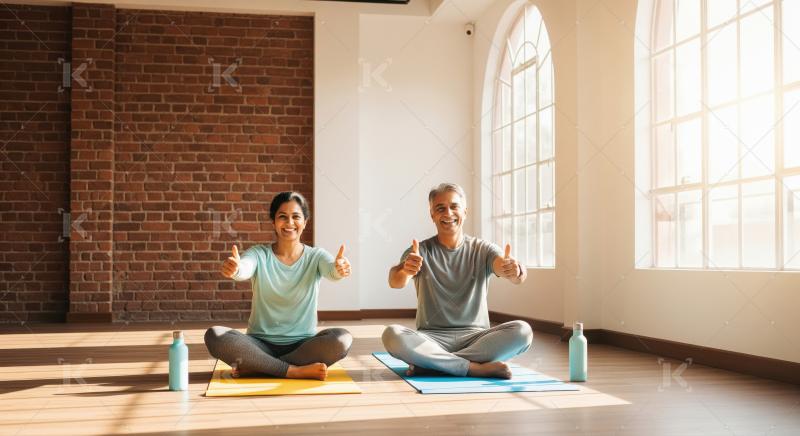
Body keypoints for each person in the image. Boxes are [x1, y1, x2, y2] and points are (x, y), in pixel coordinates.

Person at [382, 182, 533, 379]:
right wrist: (404, 269)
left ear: (465, 211)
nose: (448, 213)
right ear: (432, 215)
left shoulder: (483, 249)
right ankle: (473, 368)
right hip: (431, 338)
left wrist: (515, 270)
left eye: (454, 206)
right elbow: (395, 282)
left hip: (477, 338)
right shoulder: (420, 251)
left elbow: (508, 271)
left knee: (523, 331)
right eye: (440, 208)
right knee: (391, 335)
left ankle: (432, 364)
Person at [204, 191, 353, 380]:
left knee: (342, 339)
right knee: (215, 335)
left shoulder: (316, 256)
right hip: (258, 344)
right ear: (274, 222)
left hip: (302, 346)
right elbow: (245, 267)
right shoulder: (259, 254)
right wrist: (235, 269)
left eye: (296, 217)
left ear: (305, 222)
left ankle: (260, 365)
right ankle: (292, 370)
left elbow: (332, 270)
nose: (289, 223)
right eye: (282, 217)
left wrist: (340, 269)